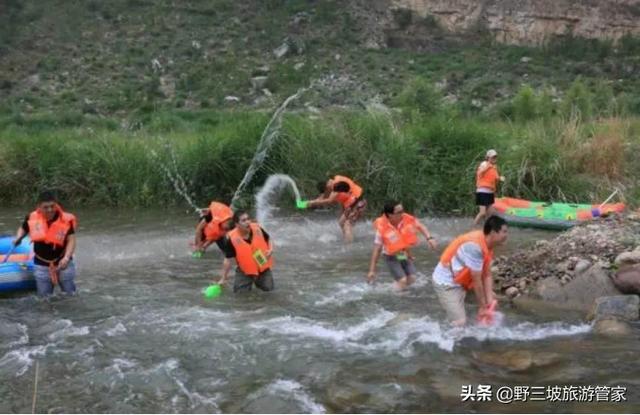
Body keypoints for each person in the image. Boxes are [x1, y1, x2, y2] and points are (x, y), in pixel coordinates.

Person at [431, 215, 508, 326]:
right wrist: (482, 307)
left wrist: (489, 301)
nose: (506, 236)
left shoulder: (487, 244)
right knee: (460, 322)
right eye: (504, 232)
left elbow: (487, 275)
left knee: (490, 298)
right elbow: (477, 281)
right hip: (447, 283)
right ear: (492, 232)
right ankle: (444, 338)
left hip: (462, 281)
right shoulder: (475, 247)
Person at [12, 191, 78, 297]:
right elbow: (23, 228)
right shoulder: (31, 217)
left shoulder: (65, 220)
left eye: (52, 206)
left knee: (70, 295)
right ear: (38, 207)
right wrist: (18, 237)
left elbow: (72, 240)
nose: (50, 210)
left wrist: (66, 257)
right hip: (41, 264)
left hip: (63, 262)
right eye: (46, 207)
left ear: (56, 204)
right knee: (44, 299)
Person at [367, 201, 437, 291]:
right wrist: (372, 270)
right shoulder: (382, 228)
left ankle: (402, 293)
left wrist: (429, 238)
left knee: (412, 278)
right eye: (399, 212)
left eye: (402, 210)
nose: (402, 214)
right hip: (390, 256)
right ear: (390, 215)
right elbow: (377, 249)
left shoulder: (406, 219)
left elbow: (421, 226)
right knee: (402, 280)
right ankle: (393, 296)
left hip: (402, 254)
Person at [217, 210, 274, 293]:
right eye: (243, 220)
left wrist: (271, 249)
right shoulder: (231, 238)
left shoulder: (257, 228)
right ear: (237, 224)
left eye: (248, 219)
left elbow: (268, 239)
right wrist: (223, 278)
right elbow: (228, 259)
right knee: (240, 295)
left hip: (262, 264)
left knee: (269, 292)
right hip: (244, 269)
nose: (247, 222)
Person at [298, 175, 367, 243]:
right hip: (352, 204)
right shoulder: (333, 183)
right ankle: (348, 239)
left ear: (327, 188)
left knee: (347, 225)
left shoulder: (336, 185)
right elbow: (322, 198)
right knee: (341, 222)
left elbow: (329, 201)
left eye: (326, 192)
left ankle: (349, 247)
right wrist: (306, 204)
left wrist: (311, 202)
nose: (326, 194)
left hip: (358, 203)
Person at [473, 149, 505, 226]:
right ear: (488, 158)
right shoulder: (484, 164)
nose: (494, 159)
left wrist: (500, 178)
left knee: (490, 214)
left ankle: (486, 229)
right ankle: (472, 228)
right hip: (482, 191)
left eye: (495, 157)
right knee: (482, 213)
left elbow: (496, 177)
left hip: (490, 192)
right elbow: (480, 173)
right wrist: (488, 167)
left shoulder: (494, 167)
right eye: (492, 157)